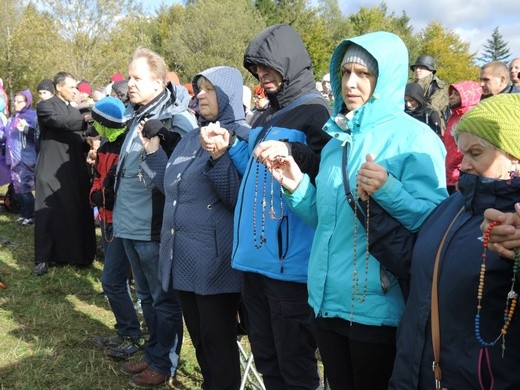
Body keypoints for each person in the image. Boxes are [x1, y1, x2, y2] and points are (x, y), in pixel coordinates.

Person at [259, 31, 448, 389]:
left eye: (364, 74)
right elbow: (325, 220)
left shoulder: (415, 139)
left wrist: (388, 190)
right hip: (326, 301)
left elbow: (435, 224)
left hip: (377, 309)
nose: (350, 83)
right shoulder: (337, 140)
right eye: (345, 73)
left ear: (387, 78)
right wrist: (295, 183)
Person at [202, 23, 331, 389]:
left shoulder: (316, 112)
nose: (261, 75)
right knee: (268, 362)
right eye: (256, 69)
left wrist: (294, 151)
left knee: (296, 367)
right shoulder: (264, 116)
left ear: (289, 63)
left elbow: (327, 173)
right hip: (255, 263)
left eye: (268, 67)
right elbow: (257, 175)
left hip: (290, 268)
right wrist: (231, 148)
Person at [389, 93, 520, 389]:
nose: (464, 165)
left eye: (477, 152)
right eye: (463, 154)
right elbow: (417, 267)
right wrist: (371, 205)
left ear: (515, 155)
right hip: (417, 373)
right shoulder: (454, 205)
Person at [141, 66, 248, 390]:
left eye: (209, 89)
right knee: (202, 343)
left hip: (216, 267)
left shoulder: (239, 136)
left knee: (218, 347)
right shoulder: (191, 138)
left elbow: (236, 199)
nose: (199, 94)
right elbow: (172, 188)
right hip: (184, 262)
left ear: (228, 95)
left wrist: (219, 156)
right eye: (198, 88)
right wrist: (154, 154)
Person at [113, 47, 196, 389]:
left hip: (153, 225)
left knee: (163, 299)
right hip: (129, 222)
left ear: (159, 82)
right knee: (145, 295)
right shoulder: (138, 113)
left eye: (136, 78)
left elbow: (187, 163)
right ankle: (153, 353)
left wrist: (167, 138)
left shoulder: (176, 117)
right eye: (128, 76)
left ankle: (165, 363)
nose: (129, 83)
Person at [88, 97, 145, 358]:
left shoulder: (130, 146)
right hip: (107, 220)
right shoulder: (105, 147)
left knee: (112, 281)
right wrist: (97, 194)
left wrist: (113, 198)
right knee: (114, 281)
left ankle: (133, 335)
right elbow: (99, 178)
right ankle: (126, 331)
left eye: (97, 122)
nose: (93, 128)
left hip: (125, 222)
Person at [34, 72, 96, 276]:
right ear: (59, 87)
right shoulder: (46, 105)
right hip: (50, 168)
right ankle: (44, 257)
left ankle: (76, 255)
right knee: (47, 214)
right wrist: (85, 117)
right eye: (71, 87)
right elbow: (59, 122)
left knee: (73, 211)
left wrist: (86, 141)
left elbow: (77, 134)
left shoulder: (72, 109)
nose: (75, 91)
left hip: (72, 169)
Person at [3, 90, 38, 225]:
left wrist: (26, 129)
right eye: (15, 101)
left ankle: (31, 215)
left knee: (25, 188)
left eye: (20, 101)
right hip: (14, 158)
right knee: (19, 188)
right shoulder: (14, 117)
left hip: (26, 158)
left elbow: (36, 136)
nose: (16, 104)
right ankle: (25, 214)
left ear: (27, 102)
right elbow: (7, 135)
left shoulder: (32, 117)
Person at [441, 80, 482, 194]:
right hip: (448, 175)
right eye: (452, 93)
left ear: (467, 95)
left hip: (462, 177)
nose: (451, 97)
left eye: (456, 94)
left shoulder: (472, 118)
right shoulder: (454, 115)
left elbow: (471, 149)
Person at [410, 54, 449, 132]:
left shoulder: (439, 86)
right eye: (416, 67)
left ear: (430, 70)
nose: (417, 70)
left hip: (433, 127)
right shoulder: (411, 86)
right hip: (413, 124)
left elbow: (433, 107)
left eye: (421, 68)